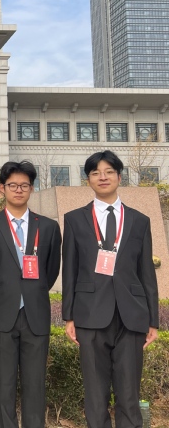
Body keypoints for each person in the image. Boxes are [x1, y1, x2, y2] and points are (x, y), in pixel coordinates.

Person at [62, 151, 158, 428]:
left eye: (108, 172)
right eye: (95, 173)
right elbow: (70, 268)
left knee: (129, 392)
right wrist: (69, 316)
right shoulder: (75, 219)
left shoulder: (139, 220)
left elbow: (146, 272)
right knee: (95, 393)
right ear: (88, 180)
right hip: (90, 314)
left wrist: (153, 319)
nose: (102, 177)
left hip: (131, 316)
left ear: (119, 176)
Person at [0, 161, 61, 428]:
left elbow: (51, 270)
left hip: (36, 314)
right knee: (3, 384)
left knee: (35, 384)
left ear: (32, 188)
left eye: (24, 185)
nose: (19, 190)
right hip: (2, 314)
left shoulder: (48, 227)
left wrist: (31, 292)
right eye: (12, 185)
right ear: (2, 188)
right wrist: (5, 294)